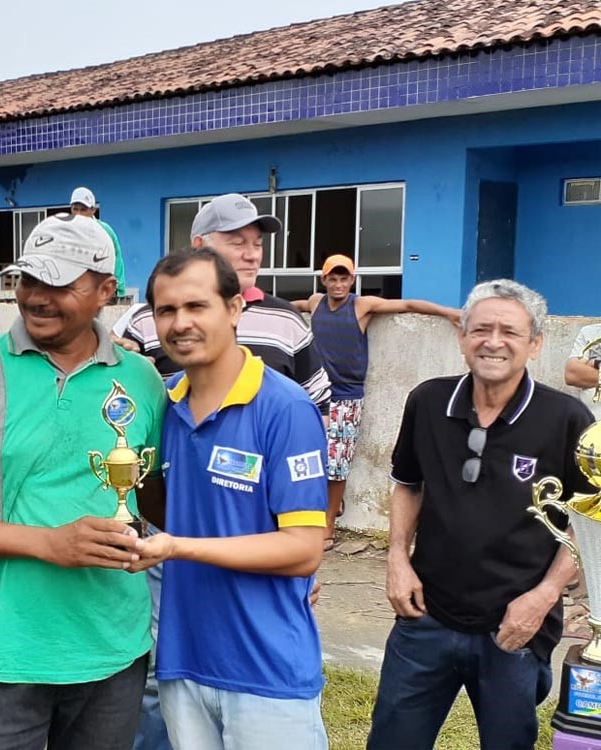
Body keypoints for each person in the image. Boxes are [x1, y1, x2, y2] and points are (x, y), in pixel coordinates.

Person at [0, 213, 166, 750]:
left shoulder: (142, 379)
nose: (37, 297)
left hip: (116, 652)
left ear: (106, 291)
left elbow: (156, 502)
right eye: (28, 280)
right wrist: (50, 543)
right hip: (8, 655)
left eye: (60, 284)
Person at [119, 193, 330, 750]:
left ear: (234, 309)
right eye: (166, 311)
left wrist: (177, 547)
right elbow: (156, 502)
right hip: (183, 661)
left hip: (267, 671)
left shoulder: (284, 408)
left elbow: (304, 549)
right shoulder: (162, 406)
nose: (181, 323)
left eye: (197, 306)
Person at [367, 279, 594, 749]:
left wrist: (545, 595)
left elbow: (587, 522)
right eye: (481, 329)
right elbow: (408, 483)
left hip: (515, 627)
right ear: (462, 336)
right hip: (425, 616)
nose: (493, 342)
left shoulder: (566, 419)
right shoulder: (428, 401)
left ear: (535, 344)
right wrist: (397, 558)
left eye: (509, 332)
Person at [293, 254, 460, 548]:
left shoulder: (361, 306)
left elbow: (408, 305)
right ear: (324, 280)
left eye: (344, 278)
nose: (338, 284)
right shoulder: (316, 302)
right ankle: (330, 506)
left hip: (346, 398)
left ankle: (328, 528)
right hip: (315, 396)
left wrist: (448, 312)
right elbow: (292, 306)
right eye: (333, 278)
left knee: (337, 464)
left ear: (352, 280)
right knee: (310, 458)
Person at [121, 193, 331, 416]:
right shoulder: (147, 321)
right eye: (238, 243)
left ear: (234, 310)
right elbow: (123, 400)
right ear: (199, 246)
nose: (252, 256)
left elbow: (318, 404)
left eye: (258, 244)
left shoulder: (286, 320)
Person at [70, 186, 127, 298]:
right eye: (75, 209)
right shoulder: (68, 233)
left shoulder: (104, 231)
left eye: (83, 210)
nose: (78, 214)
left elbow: (116, 260)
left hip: (105, 292)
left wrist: (116, 289)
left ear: (93, 210)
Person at [564, 321, 601, 421]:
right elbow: (572, 374)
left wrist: (591, 364)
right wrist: (597, 363)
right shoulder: (589, 332)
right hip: (591, 424)